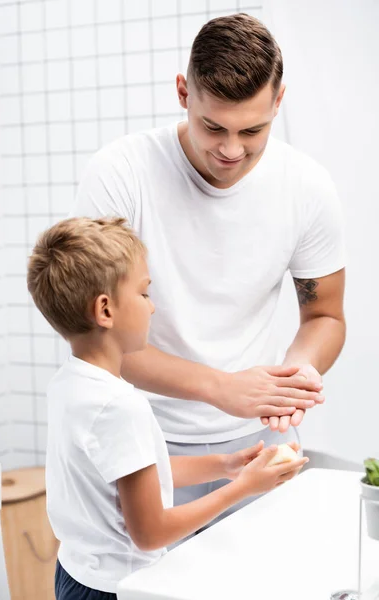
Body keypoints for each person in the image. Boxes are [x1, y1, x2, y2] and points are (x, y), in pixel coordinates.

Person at [70, 13, 345, 521]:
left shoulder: (307, 187)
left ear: (279, 101)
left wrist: (296, 378)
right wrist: (221, 386)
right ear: (183, 93)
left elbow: (324, 317)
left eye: (253, 130)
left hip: (260, 445)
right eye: (212, 126)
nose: (231, 149)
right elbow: (92, 339)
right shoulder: (120, 175)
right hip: (140, 446)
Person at [26, 216, 308, 599]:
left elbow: (131, 476)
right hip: (120, 590)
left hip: (76, 576)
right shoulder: (121, 406)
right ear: (105, 311)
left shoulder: (69, 384)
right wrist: (243, 488)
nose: (153, 308)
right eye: (144, 294)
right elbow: (150, 533)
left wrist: (225, 466)